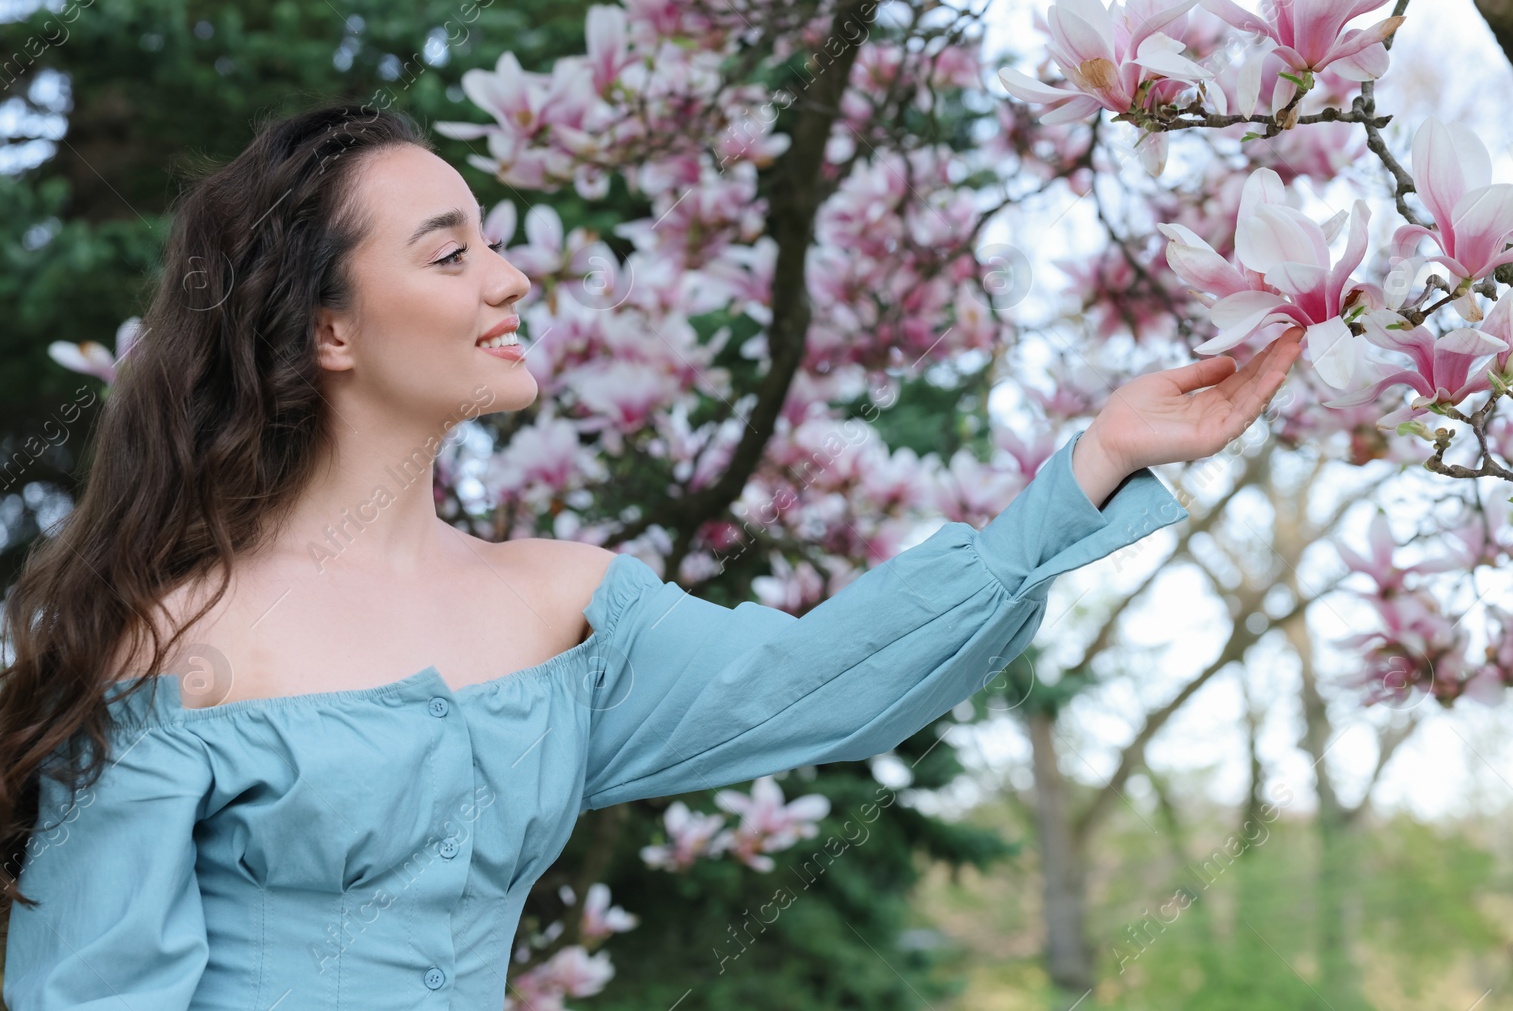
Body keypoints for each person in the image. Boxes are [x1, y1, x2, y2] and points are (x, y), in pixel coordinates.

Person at [0, 102, 1305, 1008]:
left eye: (496, 241)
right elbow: (90, 994)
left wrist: (1094, 464)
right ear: (331, 333)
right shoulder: (175, 645)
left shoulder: (564, 607)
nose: (510, 281)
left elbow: (829, 685)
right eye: (452, 252)